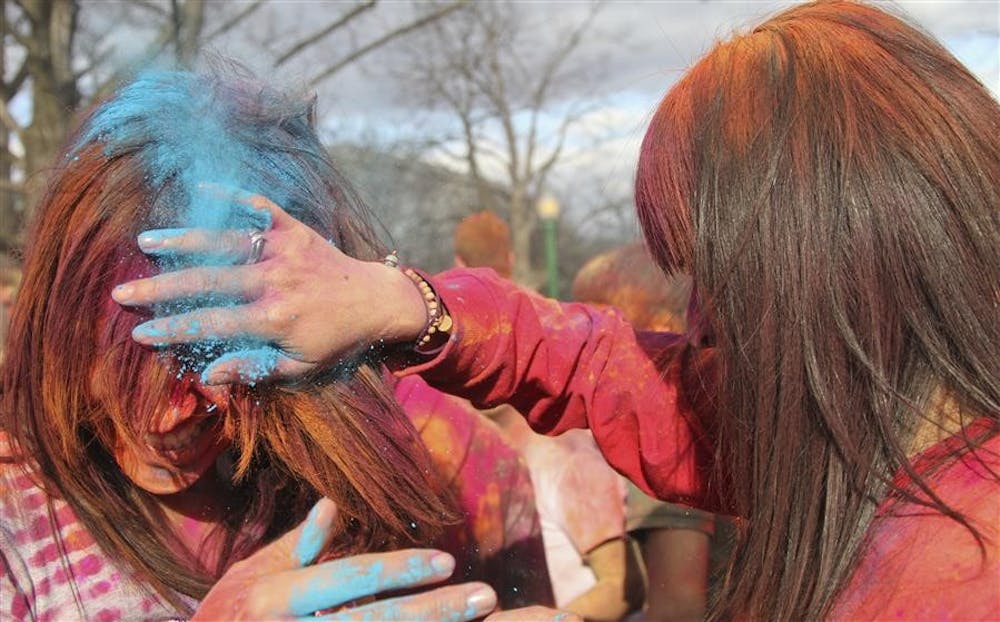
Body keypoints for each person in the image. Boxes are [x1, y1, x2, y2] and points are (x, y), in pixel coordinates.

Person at [112, 2, 1000, 620]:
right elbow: (607, 369)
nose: (694, 326)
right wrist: (400, 304)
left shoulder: (960, 574)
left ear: (811, 277)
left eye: (711, 284)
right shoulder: (869, 421)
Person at [0, 67, 557, 621]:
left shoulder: (441, 457)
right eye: (119, 355)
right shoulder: (14, 526)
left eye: (208, 353)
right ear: (57, 323)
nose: (167, 412)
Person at [453, 210, 642, 620]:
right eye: (463, 356)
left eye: (488, 354)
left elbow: (624, 587)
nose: (475, 369)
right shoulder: (471, 451)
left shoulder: (564, 454)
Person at [571, 242, 721, 622]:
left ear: (660, 329)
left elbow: (678, 607)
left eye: (601, 333)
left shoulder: (666, 436)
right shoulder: (712, 414)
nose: (581, 351)